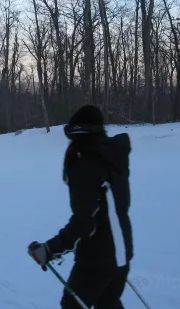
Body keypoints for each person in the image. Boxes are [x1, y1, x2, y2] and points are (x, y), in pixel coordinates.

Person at [27, 105, 133, 309]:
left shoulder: (86, 163)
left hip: (98, 258)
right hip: (122, 254)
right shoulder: (111, 156)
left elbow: (84, 223)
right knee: (107, 303)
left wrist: (50, 249)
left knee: (72, 305)